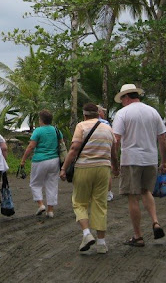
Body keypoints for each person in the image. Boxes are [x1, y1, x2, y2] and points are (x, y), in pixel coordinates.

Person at [112, 83, 166, 247]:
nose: (122, 103)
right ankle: (155, 222)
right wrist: (164, 161)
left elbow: (116, 140)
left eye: (122, 99)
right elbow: (162, 138)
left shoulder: (123, 113)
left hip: (131, 159)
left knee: (132, 196)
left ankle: (138, 236)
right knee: (146, 191)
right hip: (150, 159)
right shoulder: (153, 112)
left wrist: (114, 163)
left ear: (126, 97)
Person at [59, 103, 118, 254]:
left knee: (79, 202)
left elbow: (73, 149)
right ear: (98, 114)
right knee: (100, 204)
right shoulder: (108, 129)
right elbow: (114, 153)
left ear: (84, 115)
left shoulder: (81, 126)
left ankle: (86, 234)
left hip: (84, 167)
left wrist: (64, 168)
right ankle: (102, 243)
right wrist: (116, 168)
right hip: (104, 169)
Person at [19, 109, 64, 218]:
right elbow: (61, 144)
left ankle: (40, 204)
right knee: (52, 184)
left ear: (41, 120)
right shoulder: (56, 130)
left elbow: (31, 146)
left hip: (40, 160)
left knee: (35, 183)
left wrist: (23, 160)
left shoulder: (38, 131)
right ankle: (50, 210)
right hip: (54, 160)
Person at [98, 105, 114, 202]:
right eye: (103, 112)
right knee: (107, 174)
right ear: (99, 112)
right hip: (105, 151)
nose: (104, 114)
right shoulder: (106, 123)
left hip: (91, 152)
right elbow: (111, 138)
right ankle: (108, 193)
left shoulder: (85, 123)